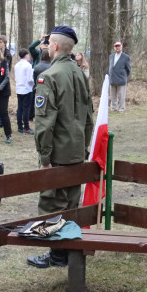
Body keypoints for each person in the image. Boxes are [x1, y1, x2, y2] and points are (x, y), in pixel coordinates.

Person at [26, 26, 94, 269]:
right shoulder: (79, 73)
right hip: (76, 150)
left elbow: (44, 123)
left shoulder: (50, 76)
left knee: (53, 203)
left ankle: (57, 255)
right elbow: (89, 118)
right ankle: (66, 252)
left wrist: (45, 158)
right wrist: (84, 147)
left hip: (58, 153)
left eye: (48, 44)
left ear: (54, 46)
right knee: (71, 203)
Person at [14, 47, 35, 135]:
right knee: (26, 108)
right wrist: (34, 83)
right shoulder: (28, 65)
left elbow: (16, 78)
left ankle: (19, 126)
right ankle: (26, 127)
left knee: (20, 108)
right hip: (27, 89)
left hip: (19, 88)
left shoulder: (16, 65)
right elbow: (30, 79)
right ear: (26, 55)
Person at [109, 41, 130, 113]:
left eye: (118, 46)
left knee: (121, 95)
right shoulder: (111, 56)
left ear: (121, 47)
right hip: (112, 79)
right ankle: (113, 108)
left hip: (121, 79)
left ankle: (121, 108)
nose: (117, 47)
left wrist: (123, 76)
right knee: (113, 95)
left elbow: (128, 69)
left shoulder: (126, 57)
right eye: (116, 46)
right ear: (114, 48)